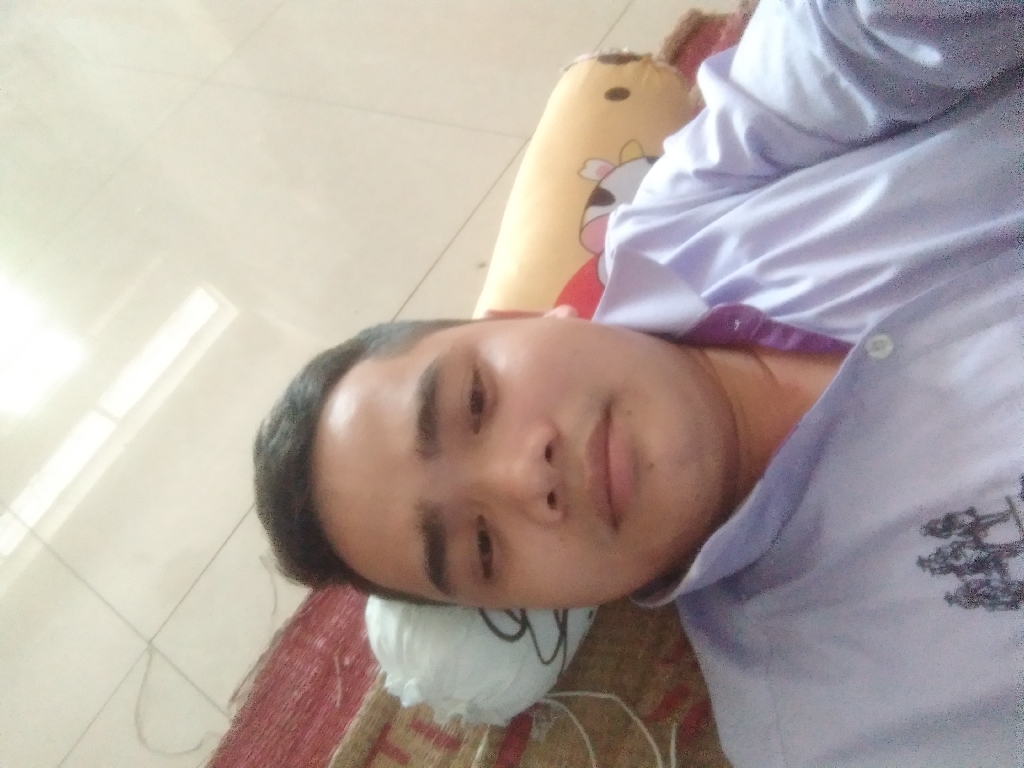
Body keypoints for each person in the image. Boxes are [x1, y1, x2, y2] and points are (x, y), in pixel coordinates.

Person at [254, 1, 1024, 765]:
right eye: (482, 547)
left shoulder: (697, 206)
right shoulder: (843, 723)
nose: (527, 478)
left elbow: (853, 40)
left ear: (537, 317)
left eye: (476, 402)